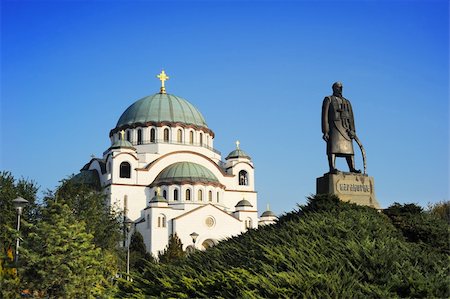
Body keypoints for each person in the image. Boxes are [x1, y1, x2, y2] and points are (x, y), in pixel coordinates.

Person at [321, 82, 361, 174]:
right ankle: (332, 167)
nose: (340, 89)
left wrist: (353, 131)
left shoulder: (347, 102)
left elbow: (351, 117)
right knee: (333, 148)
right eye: (338, 87)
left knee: (349, 149)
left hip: (346, 128)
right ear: (334, 88)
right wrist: (325, 131)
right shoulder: (329, 99)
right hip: (334, 127)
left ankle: (352, 168)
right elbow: (324, 116)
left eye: (341, 87)